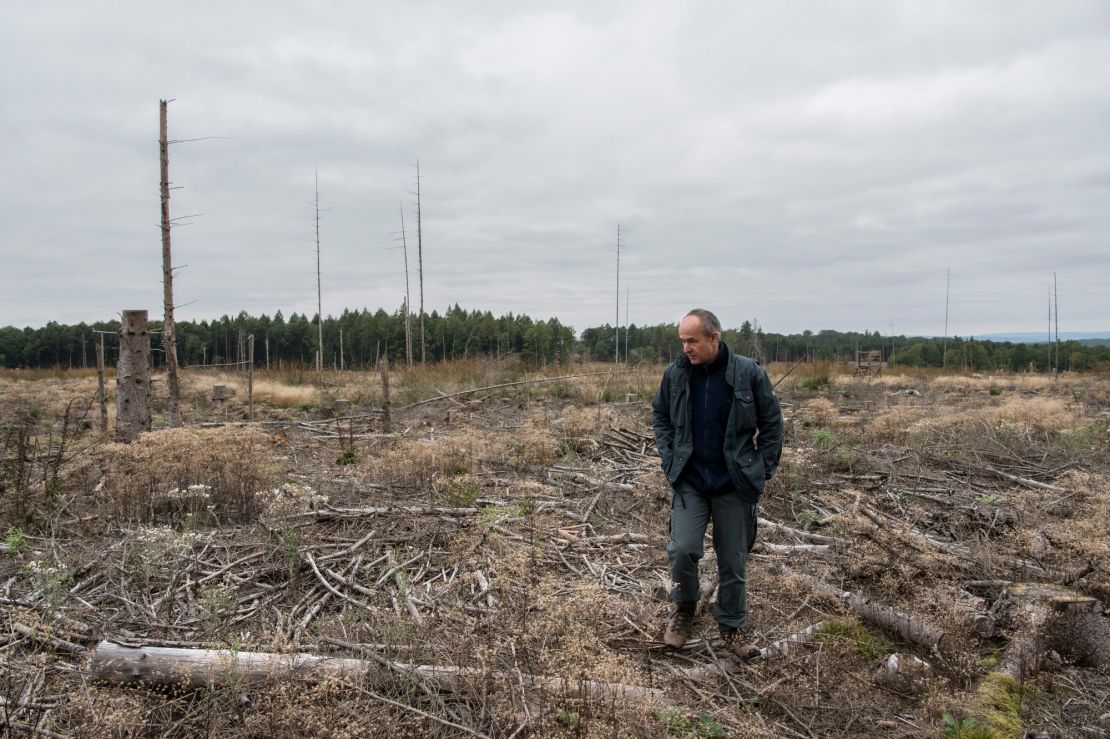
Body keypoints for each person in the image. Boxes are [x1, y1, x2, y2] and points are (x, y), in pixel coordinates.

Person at [651, 308, 783, 660]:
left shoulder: (747, 373)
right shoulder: (675, 374)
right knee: (681, 550)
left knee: (733, 560)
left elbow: (772, 423)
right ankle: (684, 609)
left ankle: (732, 627)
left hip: (733, 483)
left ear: (714, 338)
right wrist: (669, 458)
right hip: (690, 481)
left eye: (692, 341)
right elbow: (661, 416)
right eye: (682, 341)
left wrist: (762, 468)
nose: (686, 349)